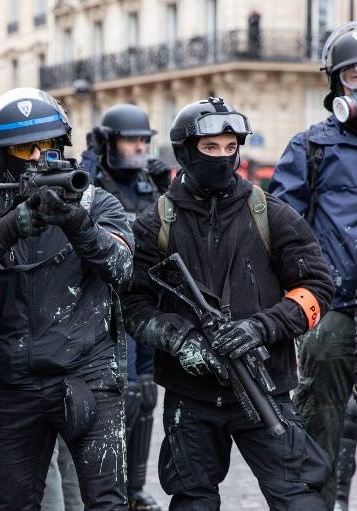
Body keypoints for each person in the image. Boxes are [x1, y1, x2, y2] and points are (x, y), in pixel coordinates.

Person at [123, 96, 335, 510]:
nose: (222, 157)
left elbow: (316, 288)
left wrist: (261, 328)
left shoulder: (272, 214)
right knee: (192, 499)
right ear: (186, 152)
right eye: (210, 148)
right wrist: (180, 339)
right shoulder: (155, 224)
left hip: (266, 387)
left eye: (229, 147)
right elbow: (132, 303)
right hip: (190, 397)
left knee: (298, 496)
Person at [0, 87, 134, 510]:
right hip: (17, 387)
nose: (37, 158)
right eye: (23, 148)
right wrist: (9, 228)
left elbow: (123, 269)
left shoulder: (97, 202)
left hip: (89, 379)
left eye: (47, 146)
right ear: (1, 155)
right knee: (15, 503)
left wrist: (76, 222)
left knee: (107, 503)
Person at [268, 22, 357, 508]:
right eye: (355, 76)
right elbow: (280, 229)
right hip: (333, 311)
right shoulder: (311, 147)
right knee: (319, 428)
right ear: (336, 84)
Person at [81, 103, 170, 511]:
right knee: (127, 394)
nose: (140, 147)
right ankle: (114, 486)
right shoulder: (93, 181)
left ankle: (135, 487)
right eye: (131, 139)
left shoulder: (150, 183)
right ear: (108, 142)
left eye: (145, 140)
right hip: (109, 304)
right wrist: (89, 158)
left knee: (148, 393)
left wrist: (167, 188)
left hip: (147, 297)